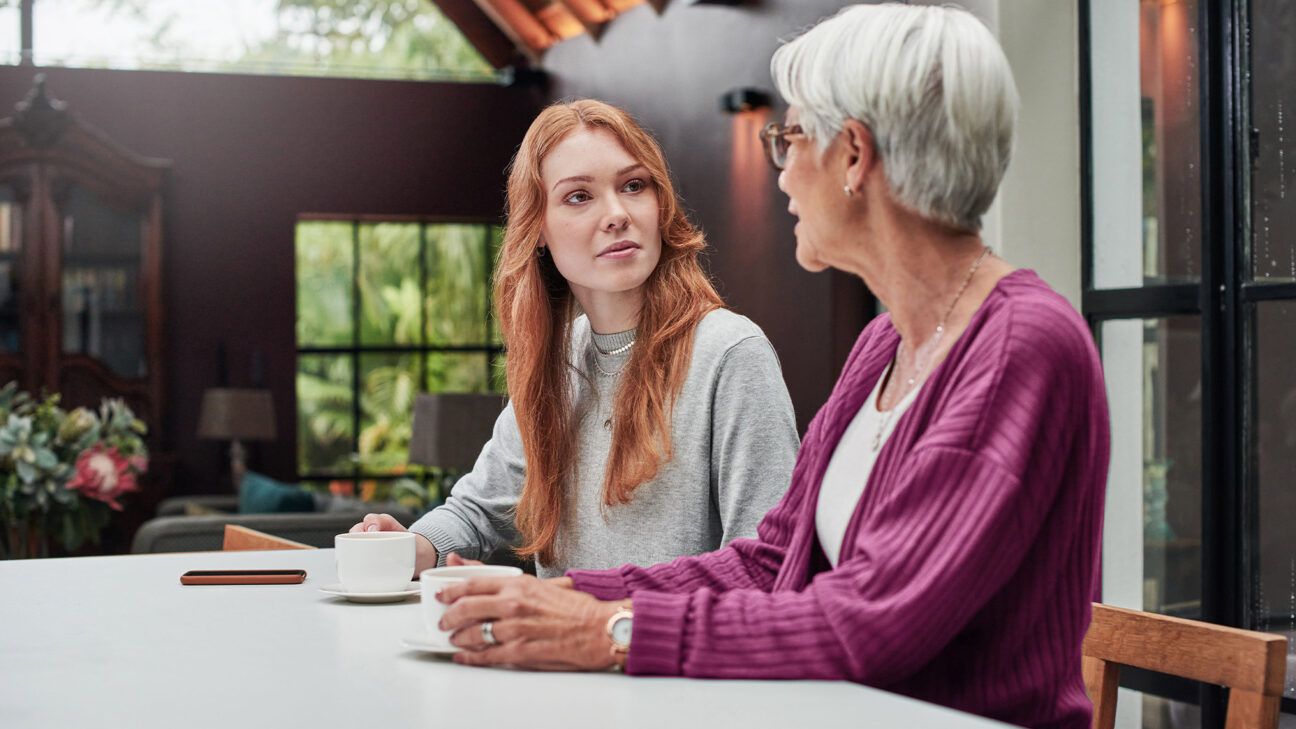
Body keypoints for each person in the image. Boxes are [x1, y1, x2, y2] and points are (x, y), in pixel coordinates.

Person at [434, 6, 1110, 729]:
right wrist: (573, 593)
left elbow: (869, 622)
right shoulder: (888, 344)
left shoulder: (1020, 349)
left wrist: (609, 632)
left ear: (853, 156)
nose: (781, 169)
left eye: (790, 137)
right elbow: (772, 559)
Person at [352, 99, 799, 579]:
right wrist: (411, 544)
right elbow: (479, 511)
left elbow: (766, 566)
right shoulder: (560, 357)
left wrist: (594, 614)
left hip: (661, 651)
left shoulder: (729, 352)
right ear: (537, 228)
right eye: (578, 196)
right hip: (552, 654)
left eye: (633, 186)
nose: (616, 214)